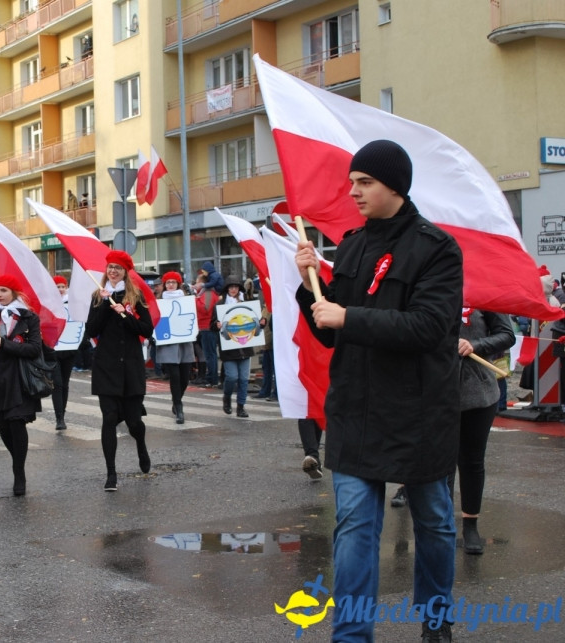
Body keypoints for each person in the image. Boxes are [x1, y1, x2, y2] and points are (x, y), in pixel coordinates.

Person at [294, 140, 462, 643]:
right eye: (352, 183)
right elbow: (331, 330)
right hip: (356, 410)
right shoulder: (352, 243)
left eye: (364, 182)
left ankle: (435, 622)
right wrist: (310, 288)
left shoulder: (437, 248)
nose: (354, 192)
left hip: (418, 412)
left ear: (395, 185)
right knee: (354, 531)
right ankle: (352, 635)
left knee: (434, 526)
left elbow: (431, 328)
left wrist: (349, 316)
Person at [85, 250, 153, 491]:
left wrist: (124, 314)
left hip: (131, 366)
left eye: (118, 268)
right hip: (106, 366)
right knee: (109, 418)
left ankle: (141, 446)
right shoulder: (98, 296)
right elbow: (91, 331)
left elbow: (147, 329)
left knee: (134, 422)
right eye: (110, 267)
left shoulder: (136, 295)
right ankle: (111, 473)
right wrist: (105, 305)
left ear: (125, 271)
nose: (112, 271)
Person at [449, 309, 514, 555]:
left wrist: (474, 344)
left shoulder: (486, 291)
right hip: (436, 389)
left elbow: (507, 335)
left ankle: (470, 525)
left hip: (479, 391)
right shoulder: (429, 282)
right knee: (440, 462)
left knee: (472, 460)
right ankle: (440, 527)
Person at [0, 275, 43, 496]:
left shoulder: (28, 317)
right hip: (0, 379)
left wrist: (6, 344)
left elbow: (34, 348)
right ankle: (17, 460)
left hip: (21, 379)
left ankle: (19, 473)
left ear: (14, 293)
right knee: (3, 427)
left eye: (3, 290)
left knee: (17, 423)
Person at [156, 272, 194, 424]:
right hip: (169, 343)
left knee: (185, 377)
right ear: (164, 285)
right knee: (175, 376)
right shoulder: (159, 302)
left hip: (185, 342)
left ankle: (177, 400)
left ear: (179, 284)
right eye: (168, 282)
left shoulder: (187, 300)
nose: (170, 285)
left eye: (173, 282)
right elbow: (157, 320)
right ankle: (179, 407)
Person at [213, 274, 254, 418]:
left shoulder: (247, 302)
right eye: (231, 287)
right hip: (229, 348)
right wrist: (216, 325)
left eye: (236, 287)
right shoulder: (220, 305)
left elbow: (256, 321)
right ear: (227, 289)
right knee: (231, 377)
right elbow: (212, 325)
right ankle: (227, 397)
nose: (233, 289)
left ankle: (241, 406)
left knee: (243, 379)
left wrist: (261, 323)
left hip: (245, 346)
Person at [50, 276, 76, 431]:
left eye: (62, 286)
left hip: (70, 349)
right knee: (57, 384)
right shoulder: (48, 304)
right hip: (54, 349)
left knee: (65, 383)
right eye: (57, 287)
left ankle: (62, 414)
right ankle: (59, 418)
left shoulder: (73, 304)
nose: (60, 289)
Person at [194, 273, 221, 387]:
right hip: (205, 326)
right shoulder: (205, 293)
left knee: (210, 354)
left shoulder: (208, 293)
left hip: (207, 326)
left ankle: (212, 378)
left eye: (197, 281)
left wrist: (194, 300)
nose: (195, 284)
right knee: (209, 353)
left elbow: (206, 308)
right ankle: (211, 377)